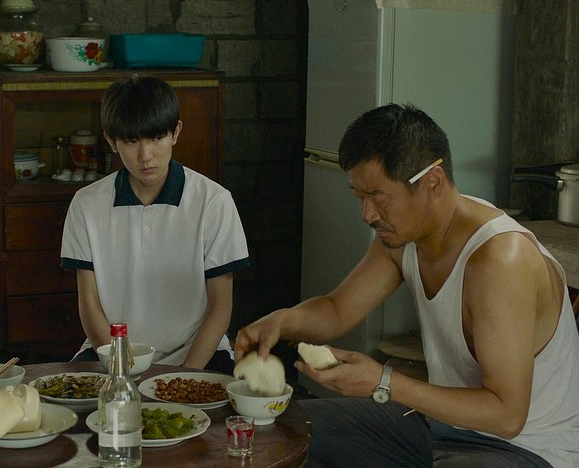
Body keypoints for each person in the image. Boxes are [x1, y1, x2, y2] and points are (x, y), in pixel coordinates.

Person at [235, 104, 579, 467]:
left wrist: (383, 382)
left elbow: (507, 416)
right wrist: (282, 321)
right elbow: (338, 310)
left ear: (433, 183)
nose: (367, 215)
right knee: (284, 433)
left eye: (378, 198)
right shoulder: (402, 239)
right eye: (359, 197)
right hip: (438, 427)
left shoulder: (500, 261)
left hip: (526, 449)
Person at [60, 75, 250, 375]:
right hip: (112, 351)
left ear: (176, 132)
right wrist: (120, 371)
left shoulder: (213, 201)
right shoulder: (87, 204)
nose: (145, 156)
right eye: (131, 141)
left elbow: (220, 307)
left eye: (156, 138)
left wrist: (183, 377)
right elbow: (90, 306)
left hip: (197, 352)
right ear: (111, 140)